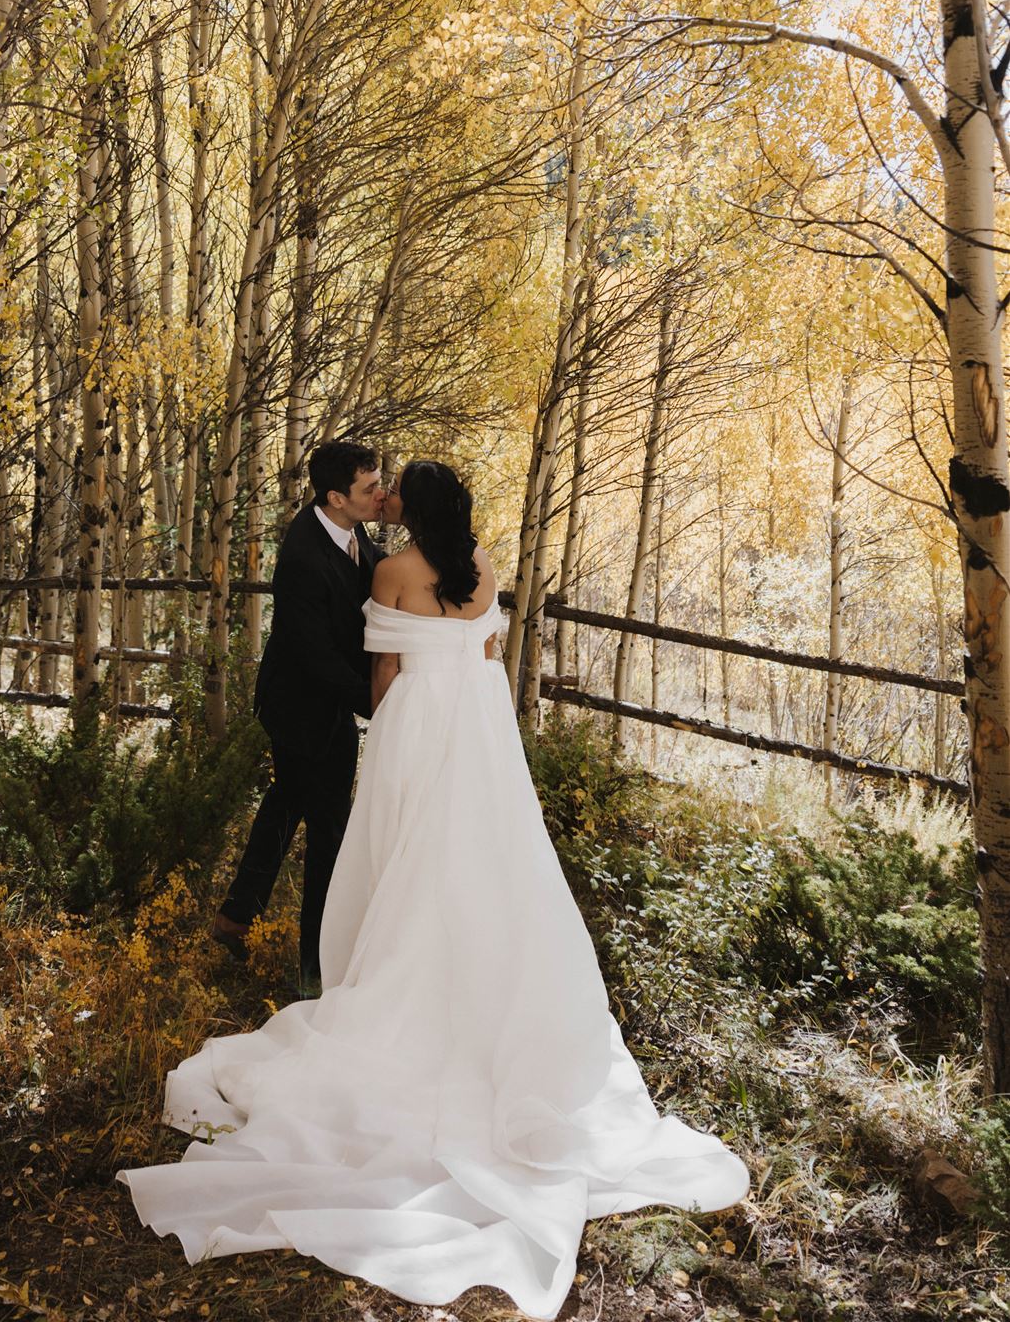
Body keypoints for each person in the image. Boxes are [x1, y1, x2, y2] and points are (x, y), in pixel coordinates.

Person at [120, 459, 749, 1320]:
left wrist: (384, 733)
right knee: (484, 856)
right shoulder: (485, 566)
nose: (387, 497)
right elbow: (485, 654)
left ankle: (383, 974)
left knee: (401, 852)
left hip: (416, 723)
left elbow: (381, 674)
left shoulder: (391, 569)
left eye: (398, 491)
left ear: (415, 508)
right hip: (481, 730)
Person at [210, 440, 383, 991]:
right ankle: (316, 966)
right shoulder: (303, 558)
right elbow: (317, 657)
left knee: (286, 803)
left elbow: (373, 579)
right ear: (336, 497)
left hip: (328, 700)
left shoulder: (353, 529)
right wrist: (378, 701)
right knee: (329, 830)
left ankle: (236, 916)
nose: (380, 495)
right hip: (303, 706)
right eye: (369, 488)